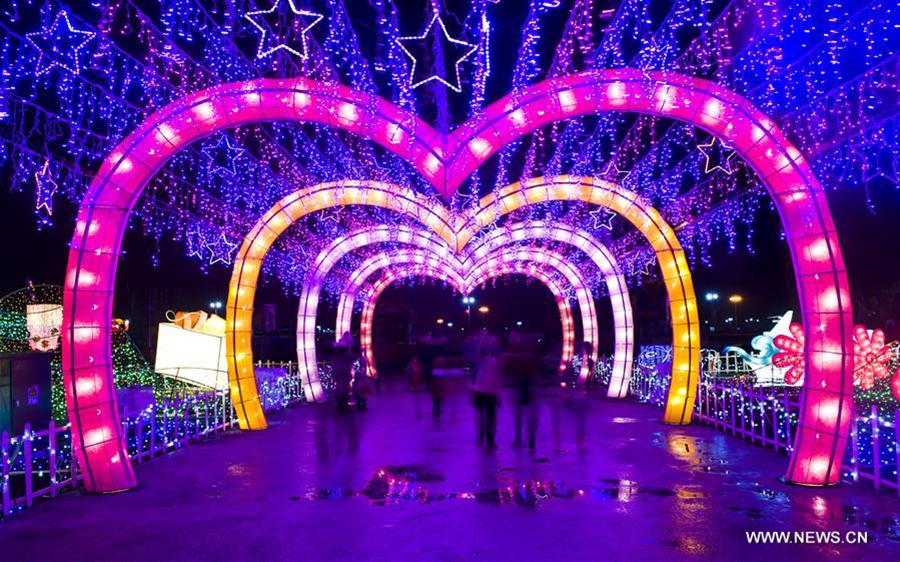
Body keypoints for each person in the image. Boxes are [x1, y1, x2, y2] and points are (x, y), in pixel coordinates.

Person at [505, 333, 540, 451]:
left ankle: (520, 438)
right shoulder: (532, 355)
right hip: (529, 386)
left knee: (519, 414)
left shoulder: (514, 355)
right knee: (529, 415)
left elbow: (508, 370)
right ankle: (530, 439)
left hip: (520, 385)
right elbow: (538, 370)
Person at [472, 335, 502, 450]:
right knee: (487, 416)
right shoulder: (483, 360)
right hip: (484, 391)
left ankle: (486, 437)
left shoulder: (489, 360)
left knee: (487, 416)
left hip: (487, 391)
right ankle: (486, 437)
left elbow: (497, 377)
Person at [332, 333, 355, 413]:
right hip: (343, 371)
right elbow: (347, 362)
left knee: (340, 388)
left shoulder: (338, 349)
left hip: (338, 371)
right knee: (343, 389)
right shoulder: (344, 351)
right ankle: (343, 407)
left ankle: (341, 406)